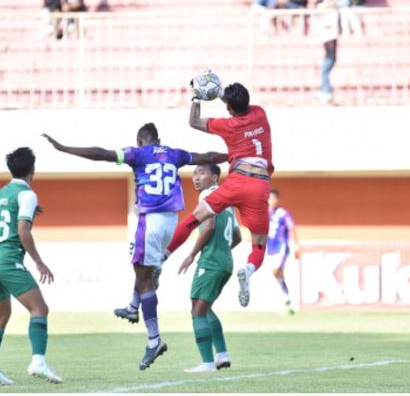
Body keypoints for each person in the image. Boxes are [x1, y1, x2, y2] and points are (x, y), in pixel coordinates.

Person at [42, 125, 227, 370]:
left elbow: (101, 154)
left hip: (150, 219)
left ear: (140, 141)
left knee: (144, 279)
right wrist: (236, 155)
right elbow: (210, 157)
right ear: (158, 139)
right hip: (171, 221)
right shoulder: (175, 153)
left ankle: (154, 340)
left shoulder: (137, 154)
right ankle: (132, 306)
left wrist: (64, 148)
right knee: (142, 270)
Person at [165, 81, 274, 308]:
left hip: (236, 182)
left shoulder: (228, 124)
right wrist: (221, 90)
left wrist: (199, 96)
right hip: (259, 185)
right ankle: (247, 270)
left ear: (229, 108)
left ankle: (161, 257)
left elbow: (194, 122)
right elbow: (236, 102)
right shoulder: (260, 113)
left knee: (193, 219)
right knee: (259, 246)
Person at [0, 147, 61, 385]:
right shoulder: (28, 195)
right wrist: (39, 262)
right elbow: (22, 230)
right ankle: (38, 362)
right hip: (6, 259)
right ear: (32, 169)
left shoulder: (0, 194)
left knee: (0, 315)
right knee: (39, 309)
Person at [174, 164, 241, 373]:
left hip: (211, 261)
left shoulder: (207, 196)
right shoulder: (226, 201)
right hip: (225, 261)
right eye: (194, 174)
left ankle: (207, 363)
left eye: (202, 173)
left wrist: (192, 254)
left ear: (214, 177)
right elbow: (237, 236)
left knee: (197, 310)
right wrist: (221, 249)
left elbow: (209, 226)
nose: (196, 178)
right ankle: (222, 355)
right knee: (205, 307)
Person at [267, 189, 298, 315]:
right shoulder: (265, 214)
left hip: (282, 247)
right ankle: (286, 299)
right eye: (269, 198)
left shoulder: (283, 213)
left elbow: (292, 228)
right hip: (270, 249)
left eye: (273, 198)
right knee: (278, 275)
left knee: (276, 271)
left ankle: (286, 298)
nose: (271, 201)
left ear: (277, 199)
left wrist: (296, 246)